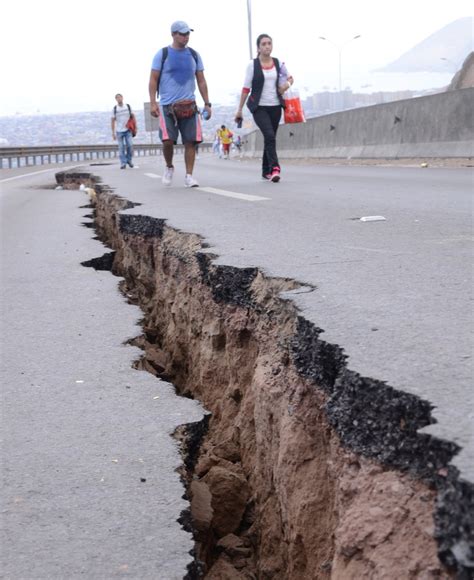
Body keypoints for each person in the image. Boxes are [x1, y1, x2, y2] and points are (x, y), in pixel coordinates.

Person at [148, 21, 212, 188]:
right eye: (182, 34)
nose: (186, 37)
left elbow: (202, 81)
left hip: (189, 105)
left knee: (190, 141)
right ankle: (169, 166)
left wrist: (207, 103)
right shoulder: (162, 54)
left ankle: (189, 176)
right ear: (173, 35)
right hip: (167, 106)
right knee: (167, 140)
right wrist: (153, 103)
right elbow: (153, 79)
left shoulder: (194, 55)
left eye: (187, 34)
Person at [235, 34, 293, 182]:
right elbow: (246, 88)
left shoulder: (278, 63)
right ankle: (275, 168)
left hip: (275, 106)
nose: (267, 46)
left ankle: (265, 171)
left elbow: (290, 78)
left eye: (269, 43)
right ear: (258, 48)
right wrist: (239, 109)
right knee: (269, 136)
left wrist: (285, 86)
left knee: (270, 138)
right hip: (259, 107)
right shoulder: (252, 65)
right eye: (264, 44)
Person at [111, 94, 136, 169]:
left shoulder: (127, 106)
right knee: (121, 147)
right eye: (117, 98)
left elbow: (133, 116)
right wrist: (113, 132)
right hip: (119, 131)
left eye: (120, 97)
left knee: (130, 145)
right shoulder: (115, 109)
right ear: (116, 99)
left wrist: (135, 127)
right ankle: (123, 163)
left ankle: (129, 160)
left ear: (122, 98)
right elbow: (112, 121)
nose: (119, 99)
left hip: (128, 129)